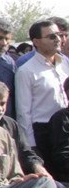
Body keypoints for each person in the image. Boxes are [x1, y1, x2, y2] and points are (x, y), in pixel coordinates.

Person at [15, 19, 69, 155]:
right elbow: (23, 112)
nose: (58, 39)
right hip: (44, 133)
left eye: (59, 35)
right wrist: (30, 146)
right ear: (36, 42)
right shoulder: (26, 71)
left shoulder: (65, 64)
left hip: (66, 128)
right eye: (52, 36)